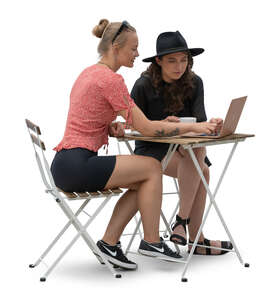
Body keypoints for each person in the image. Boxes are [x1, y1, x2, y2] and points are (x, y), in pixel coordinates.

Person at [51, 20, 218, 271]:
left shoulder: (90, 73)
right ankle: (152, 241)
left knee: (143, 179)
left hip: (67, 164)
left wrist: (113, 127)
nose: (138, 54)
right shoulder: (111, 80)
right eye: (133, 48)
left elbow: (90, 117)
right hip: (77, 165)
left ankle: (109, 243)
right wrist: (193, 127)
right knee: (151, 167)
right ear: (116, 48)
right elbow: (148, 128)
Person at [131, 31, 233, 255]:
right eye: (172, 60)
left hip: (185, 151)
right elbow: (134, 126)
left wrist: (213, 125)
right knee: (201, 170)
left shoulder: (195, 82)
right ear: (158, 61)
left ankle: (184, 225)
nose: (179, 66)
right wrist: (161, 125)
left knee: (200, 164)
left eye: (184, 60)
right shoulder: (143, 85)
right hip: (152, 152)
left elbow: (200, 123)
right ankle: (194, 236)